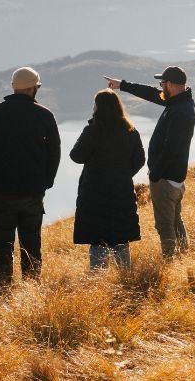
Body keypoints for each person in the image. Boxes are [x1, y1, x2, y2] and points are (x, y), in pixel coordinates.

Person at [0, 66, 60, 283]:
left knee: (1, 248)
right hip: (32, 193)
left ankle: (0, 290)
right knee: (31, 247)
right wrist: (45, 183)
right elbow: (54, 153)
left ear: (14, 88)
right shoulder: (44, 115)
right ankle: (31, 292)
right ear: (34, 88)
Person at [105, 66, 195, 257]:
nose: (160, 87)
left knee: (164, 225)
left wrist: (155, 174)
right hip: (174, 177)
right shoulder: (180, 102)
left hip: (165, 178)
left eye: (162, 83)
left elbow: (172, 148)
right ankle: (184, 257)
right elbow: (153, 94)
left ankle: (171, 262)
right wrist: (123, 85)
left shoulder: (180, 111)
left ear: (170, 84)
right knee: (175, 220)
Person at [70, 89, 145, 270]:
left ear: (98, 107)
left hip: (94, 194)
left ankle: (98, 285)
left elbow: (76, 156)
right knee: (121, 238)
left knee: (98, 239)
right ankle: (125, 280)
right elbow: (140, 160)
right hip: (122, 192)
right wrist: (123, 175)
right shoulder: (130, 131)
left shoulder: (92, 130)